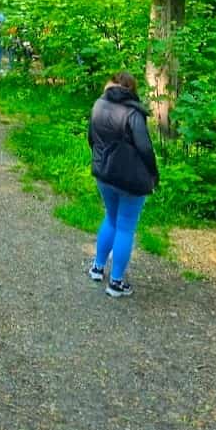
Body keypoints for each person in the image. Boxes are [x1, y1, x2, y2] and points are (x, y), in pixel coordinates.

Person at [87, 70, 158, 297]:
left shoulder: (98, 105)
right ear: (132, 89)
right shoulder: (133, 112)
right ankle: (116, 282)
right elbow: (145, 147)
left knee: (110, 218)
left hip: (103, 174)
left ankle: (97, 268)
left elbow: (91, 138)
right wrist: (153, 174)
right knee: (126, 227)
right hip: (129, 179)